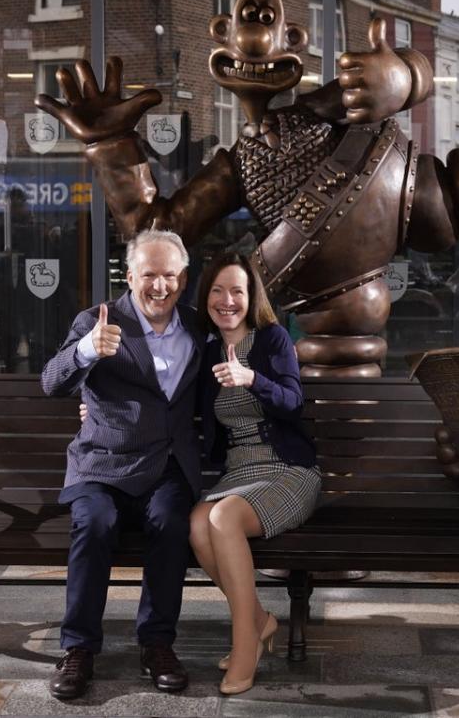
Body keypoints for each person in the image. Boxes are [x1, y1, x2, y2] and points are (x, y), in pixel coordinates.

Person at [41, 229, 204, 700]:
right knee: (94, 522)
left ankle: (157, 644)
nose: (159, 286)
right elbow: (52, 381)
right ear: (129, 275)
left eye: (169, 275)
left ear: (184, 278)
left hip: (168, 464)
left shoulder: (196, 326)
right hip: (103, 464)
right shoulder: (97, 320)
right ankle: (78, 649)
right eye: (148, 274)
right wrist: (88, 349)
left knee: (173, 523)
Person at [190, 251, 320, 695]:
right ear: (206, 296)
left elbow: (292, 402)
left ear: (251, 297)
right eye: (218, 291)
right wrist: (100, 407)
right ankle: (261, 621)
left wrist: (251, 380)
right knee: (196, 523)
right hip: (238, 472)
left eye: (237, 292)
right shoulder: (205, 352)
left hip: (286, 468)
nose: (227, 300)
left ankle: (244, 643)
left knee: (222, 518)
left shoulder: (272, 340)